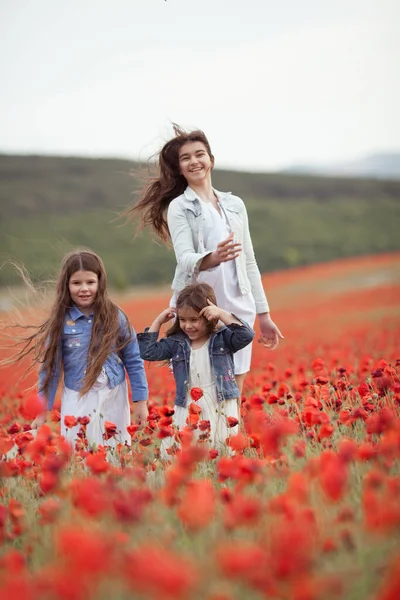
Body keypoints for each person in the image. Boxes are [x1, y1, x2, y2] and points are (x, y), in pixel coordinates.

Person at [129, 125, 283, 396]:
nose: (194, 161)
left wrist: (264, 314)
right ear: (179, 168)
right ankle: (205, 438)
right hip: (200, 308)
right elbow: (185, 259)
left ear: (211, 159)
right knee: (200, 385)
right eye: (185, 158)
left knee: (235, 387)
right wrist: (213, 257)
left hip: (238, 306)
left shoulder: (235, 205)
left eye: (199, 154)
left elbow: (249, 262)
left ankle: (232, 437)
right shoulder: (180, 206)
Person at [9, 250, 148, 449]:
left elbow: (133, 360)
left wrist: (141, 402)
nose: (84, 289)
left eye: (90, 282)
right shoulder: (60, 323)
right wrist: (41, 412)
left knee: (115, 450)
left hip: (113, 393)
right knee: (79, 449)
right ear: (66, 285)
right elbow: (51, 370)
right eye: (76, 283)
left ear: (100, 282)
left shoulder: (115, 316)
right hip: (77, 394)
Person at [137, 282, 254, 455]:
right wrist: (158, 321)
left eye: (194, 320)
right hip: (188, 404)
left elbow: (246, 335)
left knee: (221, 449)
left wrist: (222, 313)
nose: (187, 326)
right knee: (186, 452)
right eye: (183, 320)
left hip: (219, 402)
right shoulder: (177, 343)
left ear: (208, 316)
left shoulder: (222, 338)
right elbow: (148, 352)